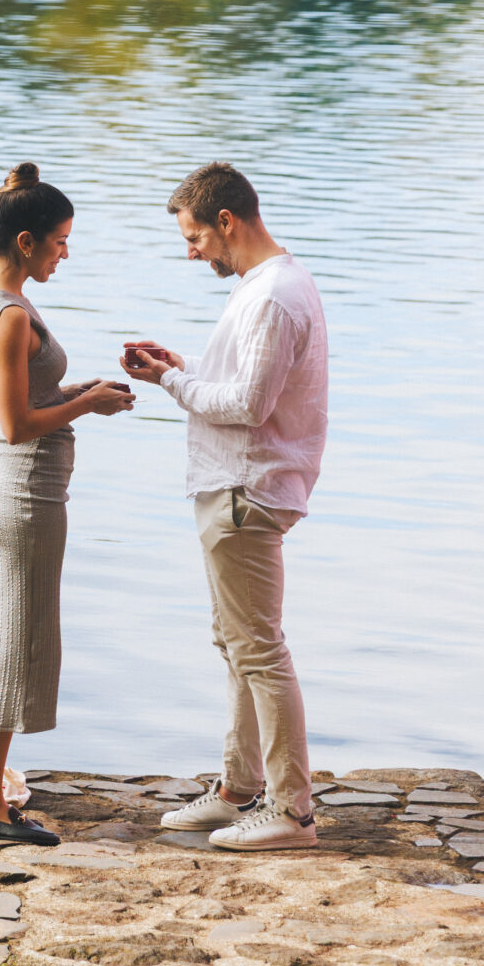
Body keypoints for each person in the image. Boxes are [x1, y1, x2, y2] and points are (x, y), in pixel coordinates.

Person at [120, 162, 330, 852]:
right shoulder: (264, 289)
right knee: (235, 642)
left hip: (248, 490)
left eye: (193, 237)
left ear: (227, 223)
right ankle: (238, 790)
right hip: (234, 487)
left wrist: (172, 382)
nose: (191, 251)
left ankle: (292, 812)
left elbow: (246, 407)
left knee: (260, 649)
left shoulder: (272, 296)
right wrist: (182, 367)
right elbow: (242, 383)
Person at [0, 164, 137, 847]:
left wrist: (72, 390)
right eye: (59, 241)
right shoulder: (13, 313)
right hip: (24, 488)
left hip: (13, 486)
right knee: (17, 642)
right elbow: (14, 423)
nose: (65, 252)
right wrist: (89, 404)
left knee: (5, 634)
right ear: (26, 241)